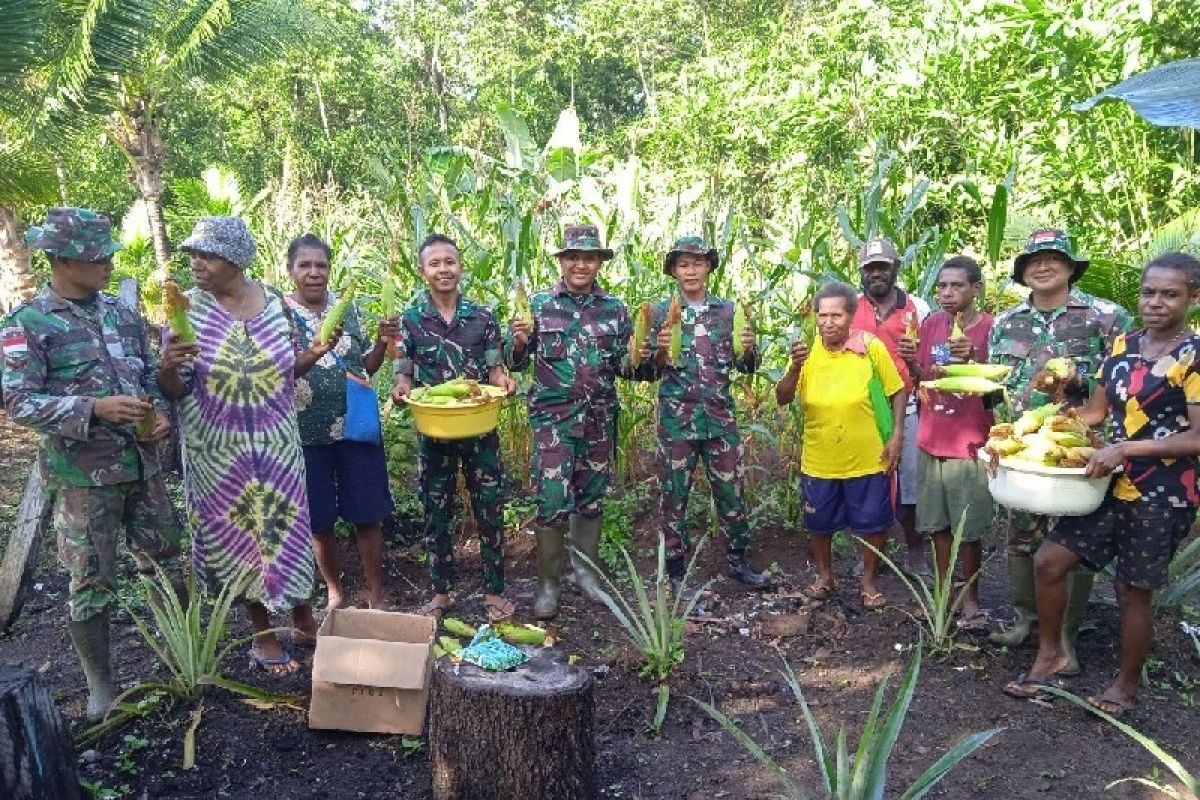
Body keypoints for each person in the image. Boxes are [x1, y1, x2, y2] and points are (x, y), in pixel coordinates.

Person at [2, 207, 181, 719]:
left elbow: (148, 378)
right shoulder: (28, 324)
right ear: (61, 260)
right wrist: (91, 408)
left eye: (107, 254)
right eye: (95, 256)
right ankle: (101, 685)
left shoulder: (121, 315)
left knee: (167, 563)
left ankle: (178, 658)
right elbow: (17, 402)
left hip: (141, 467)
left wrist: (160, 414)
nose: (106, 263)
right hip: (84, 478)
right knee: (90, 581)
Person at [1003, 252, 1200, 715]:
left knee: (1133, 589)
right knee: (1051, 561)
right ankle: (1051, 655)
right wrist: (1027, 435)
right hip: (1107, 481)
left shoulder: (1195, 356)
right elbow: (1095, 413)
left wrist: (1126, 449)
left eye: (1170, 294)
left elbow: (1197, 436)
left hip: (1163, 493)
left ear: (1193, 298)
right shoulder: (1124, 345)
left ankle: (1125, 688)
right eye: (1149, 292)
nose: (1156, 302)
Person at [159, 216, 332, 675]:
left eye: (207, 255)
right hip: (219, 453)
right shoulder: (185, 311)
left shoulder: (275, 302)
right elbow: (173, 390)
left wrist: (312, 356)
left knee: (288, 532)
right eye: (193, 254)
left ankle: (303, 618)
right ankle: (262, 634)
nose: (196, 264)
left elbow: (284, 370)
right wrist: (168, 365)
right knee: (239, 539)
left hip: (277, 445)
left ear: (235, 259)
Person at [987, 228, 1132, 675]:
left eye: (1053, 258)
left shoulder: (1107, 318)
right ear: (1023, 272)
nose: (1043, 266)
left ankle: (1065, 636)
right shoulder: (1005, 322)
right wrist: (995, 436)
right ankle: (1026, 622)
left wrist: (1079, 385)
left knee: (1073, 543)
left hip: (1079, 453)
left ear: (1070, 267)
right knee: (1020, 535)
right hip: (1024, 451)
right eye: (1034, 260)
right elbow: (996, 390)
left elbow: (1124, 385)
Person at [506, 224, 648, 620]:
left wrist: (643, 355)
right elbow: (514, 362)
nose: (580, 264)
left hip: (599, 419)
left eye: (589, 257)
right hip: (553, 422)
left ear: (599, 262)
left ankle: (585, 574)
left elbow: (627, 369)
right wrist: (517, 343)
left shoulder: (615, 309)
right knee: (551, 501)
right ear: (562, 261)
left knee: (591, 498)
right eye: (573, 257)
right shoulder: (537, 305)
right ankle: (548, 584)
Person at [391, 234, 517, 622]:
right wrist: (401, 390)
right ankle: (441, 590)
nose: (443, 269)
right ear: (422, 270)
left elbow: (496, 372)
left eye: (450, 262)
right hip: (435, 430)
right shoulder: (409, 321)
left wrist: (505, 383)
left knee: (489, 507)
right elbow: (404, 374)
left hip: (479, 427)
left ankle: (494, 590)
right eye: (435, 263)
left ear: (460, 267)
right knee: (436, 510)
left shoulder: (483, 318)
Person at [645, 236, 767, 588]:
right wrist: (659, 352)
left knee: (732, 493)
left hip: (720, 420)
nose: (691, 271)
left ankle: (737, 560)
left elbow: (750, 366)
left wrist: (748, 349)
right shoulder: (658, 314)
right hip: (676, 423)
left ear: (709, 268)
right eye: (683, 264)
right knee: (673, 496)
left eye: (697, 263)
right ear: (673, 271)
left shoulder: (728, 312)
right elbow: (642, 371)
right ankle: (675, 570)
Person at [775, 281, 906, 608]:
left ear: (851, 317)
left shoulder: (870, 347)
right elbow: (782, 396)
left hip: (867, 456)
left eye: (836, 315)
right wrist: (794, 367)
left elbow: (897, 389)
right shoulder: (806, 353)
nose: (828, 322)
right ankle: (825, 576)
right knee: (819, 524)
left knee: (874, 523)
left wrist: (898, 435)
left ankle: (868, 579)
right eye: (822, 315)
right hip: (820, 458)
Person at [285, 234, 396, 611]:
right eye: (305, 265)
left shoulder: (347, 309)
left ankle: (375, 593)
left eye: (322, 265)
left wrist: (381, 343)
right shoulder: (278, 314)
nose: (314, 273)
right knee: (320, 517)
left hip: (356, 422)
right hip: (306, 429)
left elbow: (364, 367)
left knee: (367, 511)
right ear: (291, 271)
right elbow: (281, 373)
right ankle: (334, 590)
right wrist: (314, 352)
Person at [898, 256, 994, 629]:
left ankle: (971, 598)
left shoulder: (989, 329)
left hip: (969, 441)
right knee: (937, 525)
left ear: (975, 289)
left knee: (967, 529)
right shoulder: (932, 324)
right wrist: (910, 364)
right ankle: (944, 590)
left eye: (956, 286)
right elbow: (924, 377)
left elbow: (1000, 384)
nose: (947, 293)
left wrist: (975, 359)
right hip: (931, 437)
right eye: (942, 286)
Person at [852, 238, 930, 577]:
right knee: (866, 485)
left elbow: (930, 359)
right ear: (861, 273)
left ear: (895, 268)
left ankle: (915, 554)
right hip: (861, 410)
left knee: (910, 486)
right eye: (870, 268)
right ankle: (871, 554)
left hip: (909, 407)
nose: (876, 274)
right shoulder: (850, 307)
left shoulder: (918, 308)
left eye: (882, 266)